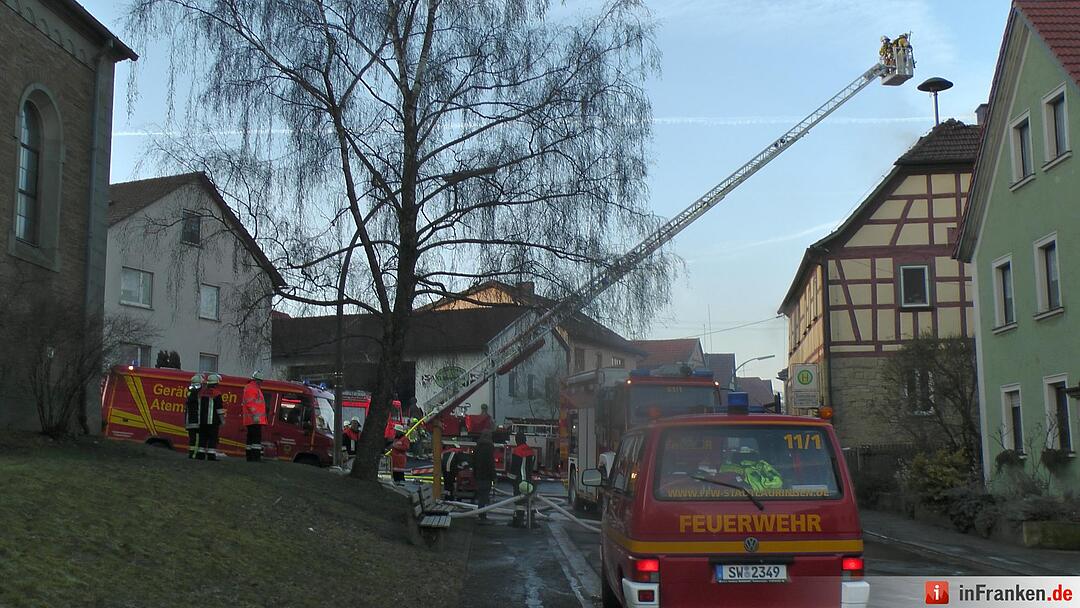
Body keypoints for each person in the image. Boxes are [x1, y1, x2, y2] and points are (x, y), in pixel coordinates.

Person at [508, 431, 536, 528]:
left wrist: (511, 479)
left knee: (519, 502)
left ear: (517, 440)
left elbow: (514, 468)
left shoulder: (517, 451)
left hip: (520, 481)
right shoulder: (531, 451)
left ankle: (518, 521)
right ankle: (532, 520)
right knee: (529, 501)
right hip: (529, 481)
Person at [197, 373, 226, 461]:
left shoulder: (202, 392)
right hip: (213, 421)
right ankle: (211, 455)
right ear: (216, 383)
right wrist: (222, 420)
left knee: (202, 437)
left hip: (202, 420)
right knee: (212, 438)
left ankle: (200, 455)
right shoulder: (217, 393)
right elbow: (219, 409)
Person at [242, 371, 268, 462]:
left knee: (251, 439)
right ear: (257, 380)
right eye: (260, 381)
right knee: (256, 439)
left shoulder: (253, 388)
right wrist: (256, 415)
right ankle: (255, 457)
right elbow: (250, 403)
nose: (261, 383)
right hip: (254, 419)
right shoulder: (251, 388)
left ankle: (250, 457)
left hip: (253, 419)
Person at [474, 429, 496, 523]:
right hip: (486, 476)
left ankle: (481, 515)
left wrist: (475, 474)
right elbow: (490, 464)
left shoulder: (477, 447)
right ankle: (482, 517)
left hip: (479, 475)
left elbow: (473, 462)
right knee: (484, 496)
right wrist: (494, 476)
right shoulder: (489, 447)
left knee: (481, 497)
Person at [184, 374, 204, 459]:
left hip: (190, 420)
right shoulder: (199, 392)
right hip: (197, 420)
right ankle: (195, 454)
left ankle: (191, 454)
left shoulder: (190, 391)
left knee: (192, 439)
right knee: (197, 439)